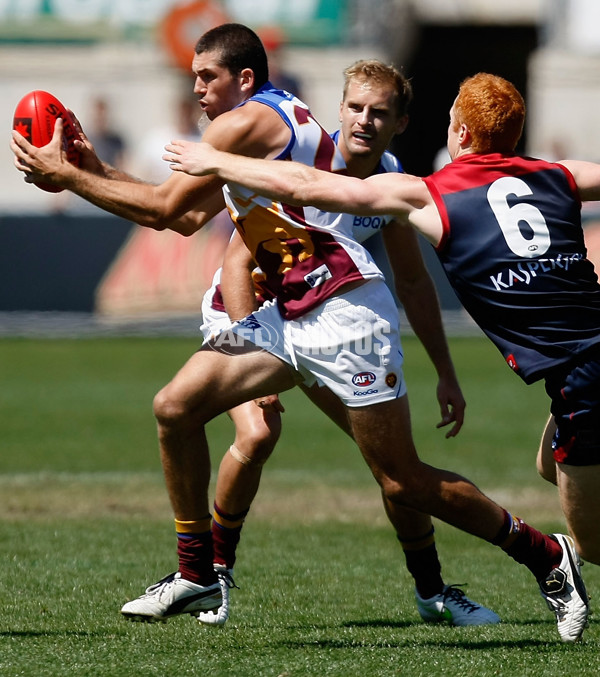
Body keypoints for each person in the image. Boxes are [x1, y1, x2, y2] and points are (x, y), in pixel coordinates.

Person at [11, 31, 588, 642]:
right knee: (175, 408)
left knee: (401, 477)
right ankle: (199, 571)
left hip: (346, 316)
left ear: (246, 80)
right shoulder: (274, 118)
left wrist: (67, 177)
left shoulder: (246, 124)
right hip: (290, 313)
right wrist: (87, 167)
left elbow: (161, 211)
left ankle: (545, 555)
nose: (197, 86)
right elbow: (181, 216)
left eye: (207, 76)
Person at [196, 59, 500, 628]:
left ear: (400, 123)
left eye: (379, 112)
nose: (364, 120)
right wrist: (248, 350)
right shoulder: (299, 160)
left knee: (391, 465)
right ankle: (210, 580)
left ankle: (433, 594)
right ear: (338, 110)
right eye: (356, 107)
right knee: (258, 433)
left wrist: (446, 372)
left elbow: (411, 280)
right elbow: (236, 264)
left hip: (330, 327)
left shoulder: (387, 174)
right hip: (253, 313)